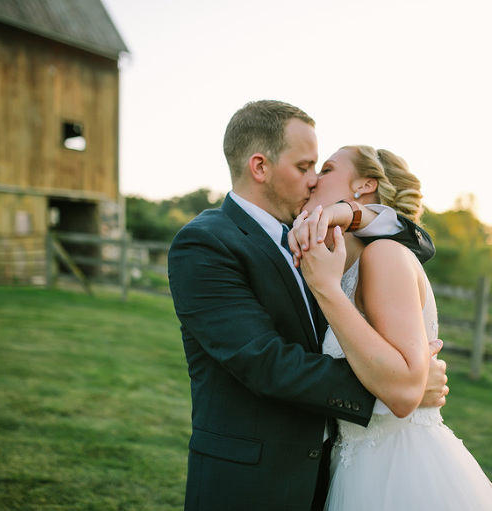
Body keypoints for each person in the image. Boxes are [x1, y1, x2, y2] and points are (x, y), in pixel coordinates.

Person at [167, 100, 449, 511]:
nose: (314, 180)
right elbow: (265, 362)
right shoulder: (207, 241)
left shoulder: (312, 241)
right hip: (248, 484)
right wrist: (392, 388)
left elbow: (416, 239)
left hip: (329, 478)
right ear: (260, 167)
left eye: (321, 169)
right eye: (304, 168)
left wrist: (348, 212)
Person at [292, 145, 492, 510]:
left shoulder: (384, 255)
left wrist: (325, 288)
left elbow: (404, 390)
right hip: (355, 468)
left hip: (401, 472)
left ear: (364, 185)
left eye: (327, 169)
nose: (313, 179)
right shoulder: (345, 265)